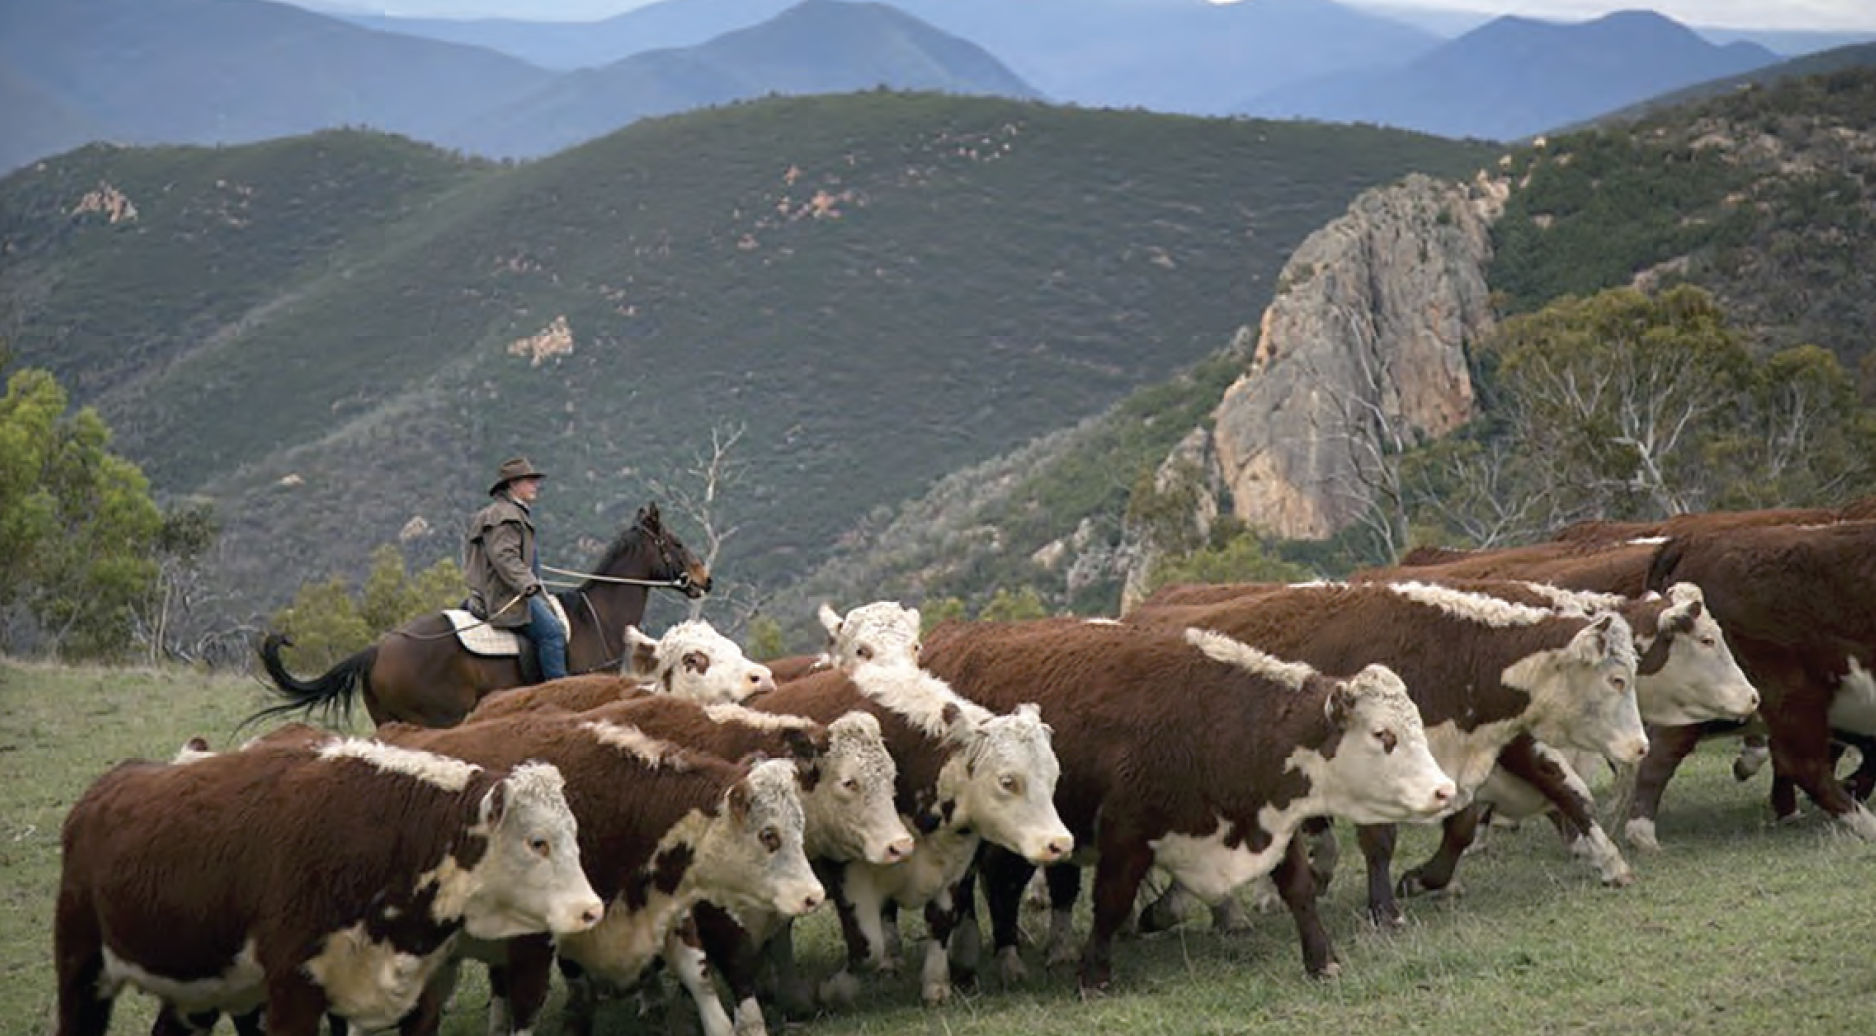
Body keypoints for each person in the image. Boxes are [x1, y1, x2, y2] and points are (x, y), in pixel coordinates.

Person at [463, 456, 567, 681]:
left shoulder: (505, 512)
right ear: (513, 485)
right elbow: (504, 557)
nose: (535, 485)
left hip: (504, 590)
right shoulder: (506, 515)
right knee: (553, 634)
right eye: (529, 481)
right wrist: (527, 583)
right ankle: (559, 691)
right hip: (506, 596)